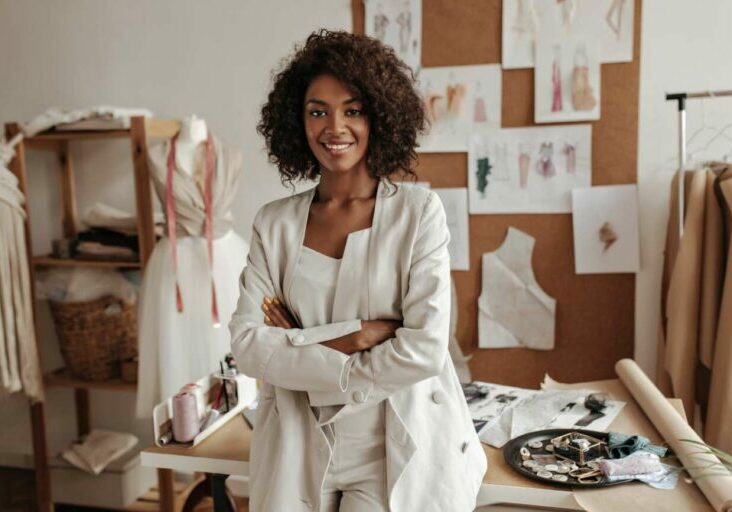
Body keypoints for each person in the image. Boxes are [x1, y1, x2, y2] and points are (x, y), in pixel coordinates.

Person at [229, 29, 487, 512]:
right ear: (297, 121)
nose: (334, 127)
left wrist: (302, 345)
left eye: (352, 109)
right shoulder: (274, 223)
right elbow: (247, 345)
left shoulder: (418, 213)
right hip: (298, 436)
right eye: (317, 111)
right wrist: (359, 336)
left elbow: (425, 349)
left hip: (391, 443)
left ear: (378, 116)